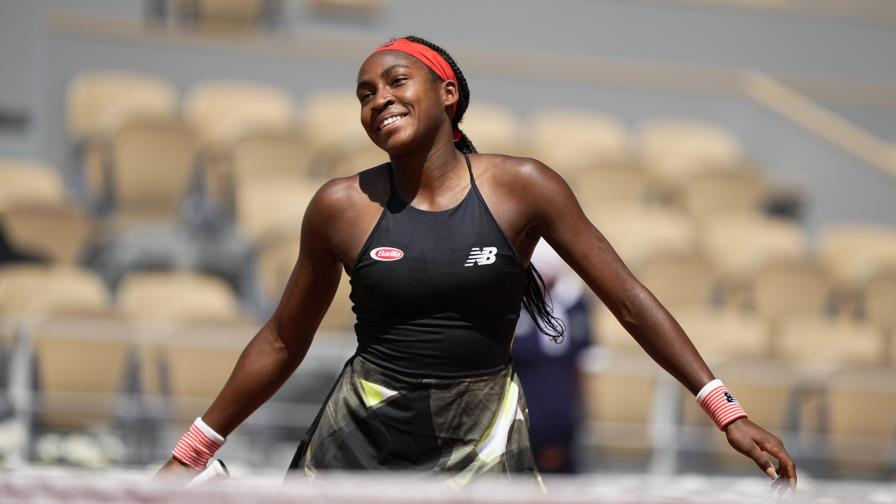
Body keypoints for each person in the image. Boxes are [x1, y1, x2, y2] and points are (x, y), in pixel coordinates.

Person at [157, 35, 797, 493]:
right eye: (363, 93)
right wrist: (194, 451)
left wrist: (726, 412)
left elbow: (627, 299)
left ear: (447, 91)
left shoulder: (525, 186)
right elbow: (281, 339)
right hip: (364, 426)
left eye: (395, 81)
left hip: (483, 432)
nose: (377, 99)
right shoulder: (339, 206)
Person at [511, 240, 591, 474]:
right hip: (518, 424)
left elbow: (579, 370)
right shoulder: (510, 306)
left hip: (561, 422)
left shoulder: (575, 307)